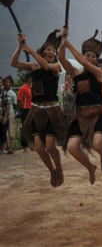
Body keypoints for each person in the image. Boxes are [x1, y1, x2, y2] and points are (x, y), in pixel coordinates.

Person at [11, 30, 65, 186]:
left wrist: (30, 50)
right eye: (48, 50)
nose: (51, 52)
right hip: (36, 111)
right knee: (40, 148)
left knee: (50, 146)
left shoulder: (56, 66)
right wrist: (20, 46)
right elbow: (13, 63)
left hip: (52, 112)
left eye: (53, 51)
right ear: (42, 52)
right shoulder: (33, 67)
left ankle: (59, 168)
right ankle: (52, 171)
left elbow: (46, 65)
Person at [59, 28, 102, 184]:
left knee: (97, 144)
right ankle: (90, 167)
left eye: (93, 56)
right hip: (80, 115)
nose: (89, 58)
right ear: (83, 55)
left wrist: (68, 45)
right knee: (72, 147)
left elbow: (82, 62)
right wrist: (63, 43)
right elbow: (61, 58)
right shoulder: (75, 73)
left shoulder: (98, 72)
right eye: (87, 55)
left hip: (98, 113)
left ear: (97, 60)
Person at [17, 74, 32, 151]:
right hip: (25, 109)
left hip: (32, 109)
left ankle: (32, 145)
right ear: (27, 79)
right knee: (25, 127)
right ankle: (24, 146)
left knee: (32, 127)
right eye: (31, 77)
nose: (32, 79)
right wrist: (20, 111)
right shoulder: (23, 88)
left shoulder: (32, 87)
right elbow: (19, 100)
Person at [0, 76, 12, 154]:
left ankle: (1, 149)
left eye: (0, 82)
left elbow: (7, 105)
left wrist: (5, 117)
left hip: (2, 117)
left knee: (2, 133)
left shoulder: (5, 92)